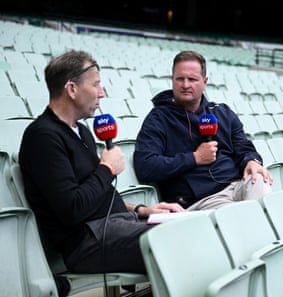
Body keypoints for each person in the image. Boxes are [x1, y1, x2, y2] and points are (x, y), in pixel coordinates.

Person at [18, 50, 186, 293]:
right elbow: (73, 208)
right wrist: (107, 169)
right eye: (96, 85)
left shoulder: (83, 131)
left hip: (115, 226)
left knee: (191, 222)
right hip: (85, 244)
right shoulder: (42, 137)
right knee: (181, 237)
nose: (102, 92)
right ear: (72, 89)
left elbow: (100, 195)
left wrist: (142, 210)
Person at [133, 50, 273, 210]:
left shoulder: (222, 112)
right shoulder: (158, 119)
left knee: (260, 178)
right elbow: (145, 166)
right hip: (202, 200)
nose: (185, 85)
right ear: (172, 79)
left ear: (204, 81)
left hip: (237, 186)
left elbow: (243, 147)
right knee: (242, 214)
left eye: (192, 79)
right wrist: (195, 158)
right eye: (180, 79)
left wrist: (251, 161)